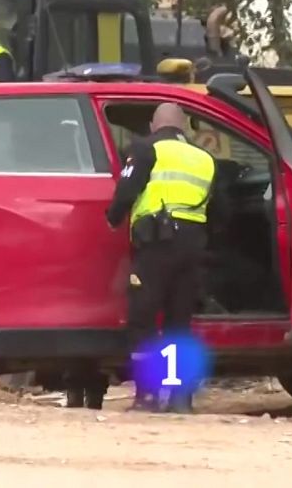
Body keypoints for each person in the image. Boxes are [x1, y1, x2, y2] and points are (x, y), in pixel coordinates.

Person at [104, 102, 217, 413]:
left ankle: (148, 397)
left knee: (142, 320)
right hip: (193, 247)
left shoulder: (144, 148)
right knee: (179, 324)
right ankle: (181, 400)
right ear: (183, 127)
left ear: (154, 125)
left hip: (156, 245)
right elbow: (219, 209)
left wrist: (112, 218)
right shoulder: (204, 159)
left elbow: (127, 190)